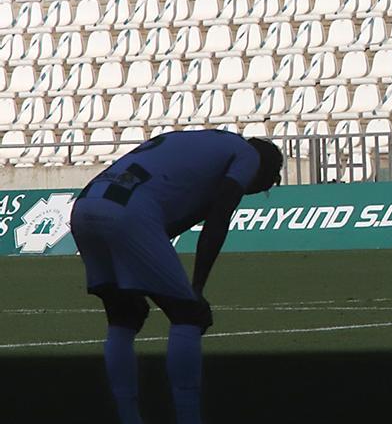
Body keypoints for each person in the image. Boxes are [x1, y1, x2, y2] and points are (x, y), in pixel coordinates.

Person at [70, 129, 284, 424]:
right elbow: (220, 217)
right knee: (189, 316)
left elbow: (171, 220)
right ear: (265, 170)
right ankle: (188, 417)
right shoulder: (247, 155)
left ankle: (128, 417)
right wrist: (196, 288)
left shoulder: (203, 144)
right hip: (131, 211)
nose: (257, 190)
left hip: (86, 205)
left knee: (123, 316)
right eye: (265, 185)